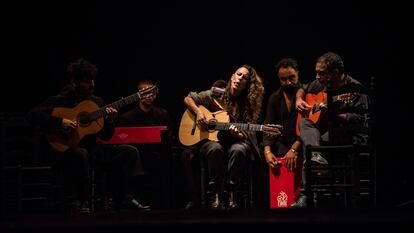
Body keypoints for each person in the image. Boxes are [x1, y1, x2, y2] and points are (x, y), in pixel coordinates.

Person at [26, 58, 150, 213]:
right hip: (66, 151)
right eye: (86, 81)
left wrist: (110, 121)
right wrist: (60, 121)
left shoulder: (97, 102)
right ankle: (81, 200)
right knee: (81, 154)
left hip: (94, 151)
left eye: (92, 80)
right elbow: (32, 115)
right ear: (74, 83)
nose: (92, 84)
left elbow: (106, 136)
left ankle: (123, 198)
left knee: (129, 151)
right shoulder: (60, 101)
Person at [292, 52, 371, 208]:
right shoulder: (322, 84)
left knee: (311, 146)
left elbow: (361, 120)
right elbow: (303, 87)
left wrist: (335, 114)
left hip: (351, 135)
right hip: (330, 134)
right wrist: (299, 99)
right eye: (316, 72)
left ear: (335, 72)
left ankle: (305, 195)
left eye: (321, 73)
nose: (317, 77)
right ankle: (316, 156)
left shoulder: (355, 89)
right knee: (305, 123)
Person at [182, 65, 265, 210]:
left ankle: (233, 195)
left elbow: (246, 131)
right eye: (238, 74)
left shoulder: (247, 104)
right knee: (215, 149)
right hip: (210, 140)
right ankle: (215, 195)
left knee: (239, 150)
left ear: (248, 84)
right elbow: (189, 98)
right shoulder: (217, 93)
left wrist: (238, 134)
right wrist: (198, 113)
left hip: (233, 141)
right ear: (232, 76)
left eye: (244, 77)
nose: (240, 78)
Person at [117, 79, 172, 208]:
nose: (148, 95)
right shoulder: (126, 117)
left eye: (152, 92)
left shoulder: (163, 114)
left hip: (156, 156)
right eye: (144, 92)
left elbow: (168, 138)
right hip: (135, 158)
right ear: (138, 94)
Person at [180, 79, 227, 211]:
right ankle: (193, 199)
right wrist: (198, 112)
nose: (217, 97)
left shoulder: (230, 104)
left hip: (216, 143)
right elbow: (188, 99)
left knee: (215, 149)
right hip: (196, 142)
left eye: (221, 95)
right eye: (216, 94)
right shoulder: (210, 95)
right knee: (186, 156)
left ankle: (214, 195)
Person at [262, 58, 303, 172]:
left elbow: (311, 125)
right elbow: (269, 126)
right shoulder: (275, 98)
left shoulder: (306, 93)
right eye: (283, 79)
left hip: (302, 143)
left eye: (291, 77)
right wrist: (267, 152)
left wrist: (294, 150)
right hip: (283, 144)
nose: (288, 82)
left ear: (298, 74)